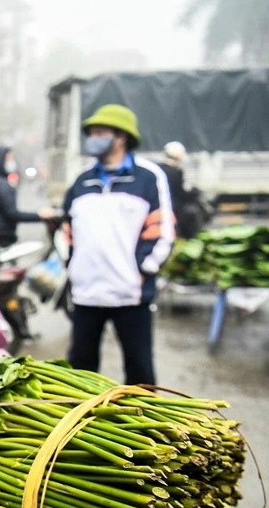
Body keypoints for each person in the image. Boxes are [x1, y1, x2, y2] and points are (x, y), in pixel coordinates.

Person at [62, 103, 174, 386]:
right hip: (86, 293)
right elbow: (67, 230)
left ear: (121, 137)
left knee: (140, 371)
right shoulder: (82, 180)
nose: (93, 138)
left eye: (100, 132)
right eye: (92, 133)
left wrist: (142, 269)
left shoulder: (148, 177)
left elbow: (162, 230)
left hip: (130, 294)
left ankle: (148, 426)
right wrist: (73, 268)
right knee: (80, 373)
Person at [0, 145, 57, 250]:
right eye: (9, 159)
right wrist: (40, 215)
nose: (12, 162)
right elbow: (12, 214)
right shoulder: (1, 185)